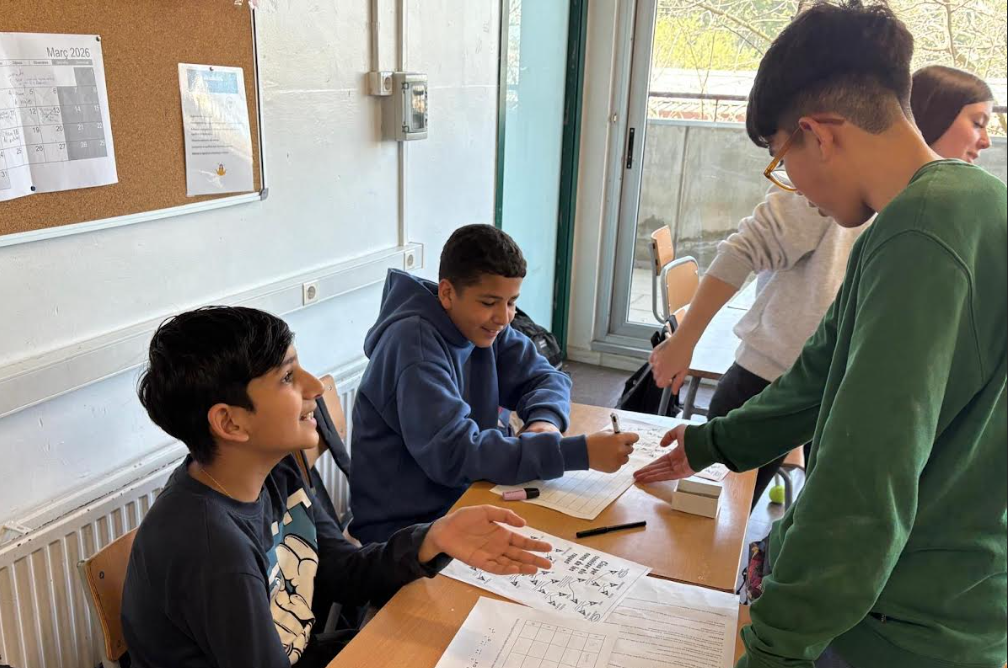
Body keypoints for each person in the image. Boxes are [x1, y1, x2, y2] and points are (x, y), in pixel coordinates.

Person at [635, 2, 1007, 666]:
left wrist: (774, 649)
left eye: (783, 161)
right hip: (933, 598)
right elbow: (815, 378)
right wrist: (711, 443)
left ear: (819, 134)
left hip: (899, 624)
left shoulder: (923, 232)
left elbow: (865, 478)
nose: (794, 187)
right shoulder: (943, 209)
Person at [122, 306, 555, 668]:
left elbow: (344, 573)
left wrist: (435, 537)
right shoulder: (211, 548)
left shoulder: (275, 471)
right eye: (287, 377)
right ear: (230, 423)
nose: (314, 386)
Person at [648, 64, 998, 508]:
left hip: (836, 413)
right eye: (977, 122)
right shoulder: (860, 201)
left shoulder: (923, 227)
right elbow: (823, 362)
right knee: (717, 513)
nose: (985, 140)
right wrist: (687, 346)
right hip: (775, 379)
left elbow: (873, 454)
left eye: (780, 159)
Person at [350, 224, 637, 543]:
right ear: (447, 293)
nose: (504, 317)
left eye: (511, 302)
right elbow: (455, 455)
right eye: (489, 303)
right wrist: (577, 453)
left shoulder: (482, 327)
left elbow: (547, 377)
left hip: (471, 494)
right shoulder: (413, 348)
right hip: (406, 530)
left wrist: (544, 421)